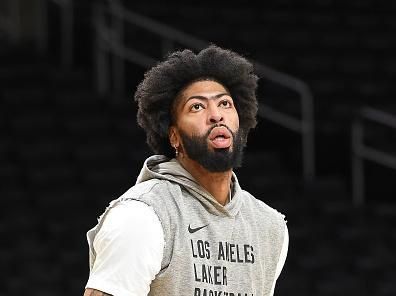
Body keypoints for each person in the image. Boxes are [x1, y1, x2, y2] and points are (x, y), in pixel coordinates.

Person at [83, 44, 289, 296]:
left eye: (225, 103)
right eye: (197, 107)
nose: (216, 115)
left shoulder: (269, 226)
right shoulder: (142, 215)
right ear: (174, 136)